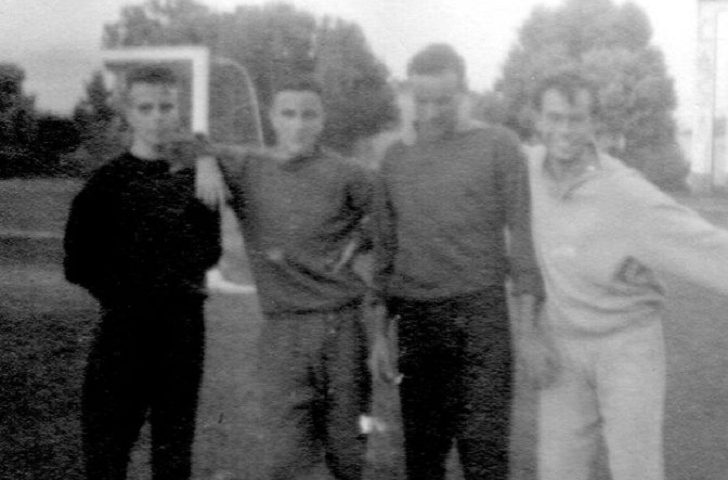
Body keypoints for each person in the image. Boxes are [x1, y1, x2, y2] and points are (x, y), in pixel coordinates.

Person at [525, 70, 728, 480]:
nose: (564, 130)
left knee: (636, 471)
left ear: (594, 123)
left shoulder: (625, 193)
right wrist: (527, 331)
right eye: (555, 117)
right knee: (557, 471)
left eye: (577, 118)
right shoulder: (525, 170)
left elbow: (707, 248)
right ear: (538, 120)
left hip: (627, 347)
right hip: (561, 346)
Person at [368, 43, 544, 480]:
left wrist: (526, 333)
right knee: (423, 459)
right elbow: (385, 255)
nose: (430, 113)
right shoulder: (395, 157)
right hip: (418, 322)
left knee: (485, 459)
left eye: (442, 101)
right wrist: (378, 336)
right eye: (421, 101)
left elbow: (523, 244)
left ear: (463, 94)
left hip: (481, 319)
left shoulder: (499, 145)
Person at [196, 75, 373, 480]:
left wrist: (364, 236)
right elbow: (175, 140)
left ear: (323, 119)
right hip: (282, 330)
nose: (298, 125)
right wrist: (204, 156)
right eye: (288, 114)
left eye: (308, 114)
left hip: (341, 327)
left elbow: (392, 208)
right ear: (272, 118)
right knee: (285, 459)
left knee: (347, 452)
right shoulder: (248, 166)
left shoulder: (346, 173)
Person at [63, 65, 221, 480]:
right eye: (145, 107)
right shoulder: (105, 185)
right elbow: (77, 262)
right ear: (128, 113)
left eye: (166, 106)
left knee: (173, 451)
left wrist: (204, 157)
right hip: (124, 332)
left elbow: (210, 250)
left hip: (183, 332)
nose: (156, 117)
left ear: (178, 111)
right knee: (107, 449)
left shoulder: (198, 180)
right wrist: (124, 294)